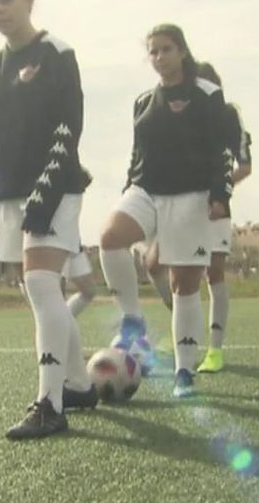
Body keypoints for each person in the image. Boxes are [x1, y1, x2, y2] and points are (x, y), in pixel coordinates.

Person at [0, 0, 95, 440]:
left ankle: (50, 406)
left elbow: (69, 128)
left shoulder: (57, 54)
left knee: (45, 287)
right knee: (38, 292)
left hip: (55, 187)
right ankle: (80, 386)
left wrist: (43, 197)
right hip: (10, 196)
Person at [99, 24, 241, 398]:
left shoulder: (208, 94)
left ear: (181, 51)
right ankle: (133, 321)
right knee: (110, 237)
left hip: (191, 197)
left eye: (165, 49)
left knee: (184, 287)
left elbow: (223, 151)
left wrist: (219, 195)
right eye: (153, 51)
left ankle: (184, 372)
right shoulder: (143, 101)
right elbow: (137, 152)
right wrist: (128, 184)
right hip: (146, 190)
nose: (159, 57)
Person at [144, 62, 253, 374]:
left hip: (214, 207)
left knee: (213, 274)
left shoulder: (227, 115)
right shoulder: (173, 115)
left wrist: (219, 190)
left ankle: (215, 350)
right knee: (153, 264)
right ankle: (182, 325)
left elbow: (245, 166)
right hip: (178, 206)